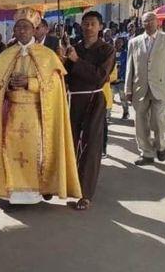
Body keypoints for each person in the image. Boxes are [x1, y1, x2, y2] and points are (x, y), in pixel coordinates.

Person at [0, 8, 81, 206]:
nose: (22, 31)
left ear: (34, 29)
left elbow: (54, 86)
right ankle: (14, 194)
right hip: (12, 114)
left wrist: (30, 83)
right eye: (18, 27)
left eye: (26, 27)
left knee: (34, 153)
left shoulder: (47, 56)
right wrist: (7, 84)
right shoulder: (7, 54)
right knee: (11, 152)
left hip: (36, 114)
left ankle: (34, 193)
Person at [65, 11, 115, 210]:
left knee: (91, 145)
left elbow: (100, 77)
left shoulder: (106, 50)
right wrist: (64, 61)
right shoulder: (74, 47)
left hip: (94, 99)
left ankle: (86, 194)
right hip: (74, 100)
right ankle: (69, 184)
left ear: (100, 27)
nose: (88, 27)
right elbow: (67, 78)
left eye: (92, 23)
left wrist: (77, 61)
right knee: (71, 142)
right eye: (85, 23)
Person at [125, 12, 165, 166]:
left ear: (157, 22)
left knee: (158, 119)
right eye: (144, 21)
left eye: (151, 20)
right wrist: (128, 89)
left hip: (160, 87)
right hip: (139, 88)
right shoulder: (134, 42)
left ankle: (161, 145)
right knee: (140, 122)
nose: (148, 23)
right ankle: (146, 153)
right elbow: (130, 67)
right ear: (141, 24)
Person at [111, 37, 130, 119]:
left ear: (122, 43)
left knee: (123, 97)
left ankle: (126, 112)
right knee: (109, 97)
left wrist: (123, 77)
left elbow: (127, 66)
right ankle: (107, 115)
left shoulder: (125, 54)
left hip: (121, 80)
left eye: (119, 42)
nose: (117, 44)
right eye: (115, 42)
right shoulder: (111, 52)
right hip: (111, 80)